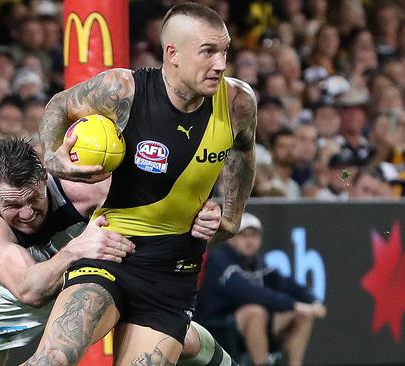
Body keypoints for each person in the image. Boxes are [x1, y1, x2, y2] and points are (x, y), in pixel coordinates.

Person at [26, 3, 256, 365]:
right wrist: (55, 161)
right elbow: (59, 105)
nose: (221, 64)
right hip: (111, 253)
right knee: (51, 360)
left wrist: (229, 218)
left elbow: (243, 153)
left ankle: (198, 344)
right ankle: (202, 347)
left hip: (173, 272)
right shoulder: (123, 90)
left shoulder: (238, 102)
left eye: (225, 51)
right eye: (208, 52)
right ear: (172, 53)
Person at [0, 137, 231, 366]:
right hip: (5, 304)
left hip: (85, 281)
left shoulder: (85, 188)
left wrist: (205, 217)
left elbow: (165, 213)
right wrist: (75, 250)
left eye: (33, 198)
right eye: (12, 205)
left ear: (44, 176)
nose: (28, 213)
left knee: (177, 338)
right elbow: (28, 291)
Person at [195, 213, 326, 366]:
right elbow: (248, 293)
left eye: (254, 236)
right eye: (243, 236)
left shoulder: (256, 263)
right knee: (256, 311)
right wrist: (294, 305)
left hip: (250, 329)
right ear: (231, 238)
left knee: (302, 316)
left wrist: (313, 301)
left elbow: (285, 283)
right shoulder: (219, 260)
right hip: (216, 327)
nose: (250, 241)